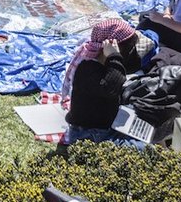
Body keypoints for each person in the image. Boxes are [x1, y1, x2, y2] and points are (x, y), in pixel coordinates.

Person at [60, 19, 145, 149]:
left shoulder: (102, 64)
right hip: (89, 135)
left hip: (102, 127)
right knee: (145, 147)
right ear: (108, 47)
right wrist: (114, 56)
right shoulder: (87, 69)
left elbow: (130, 67)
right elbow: (111, 88)